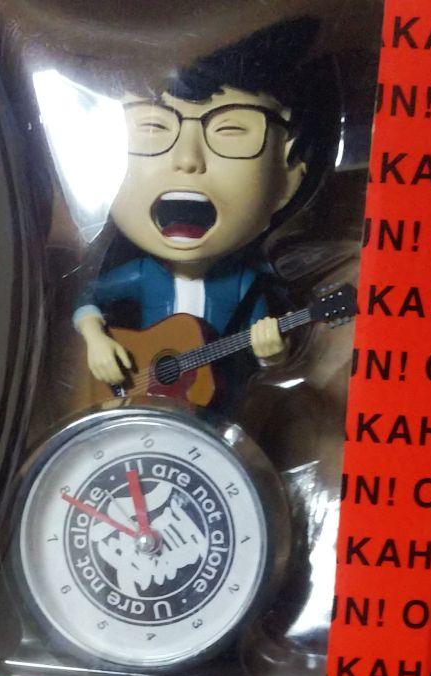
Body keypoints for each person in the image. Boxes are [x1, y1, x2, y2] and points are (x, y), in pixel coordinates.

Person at [72, 18, 333, 417]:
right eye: (153, 125)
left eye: (230, 130)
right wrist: (96, 339)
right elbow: (87, 298)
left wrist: (272, 354)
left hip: (217, 409)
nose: (188, 159)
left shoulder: (245, 286)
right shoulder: (143, 275)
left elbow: (267, 358)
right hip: (137, 404)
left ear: (288, 177)